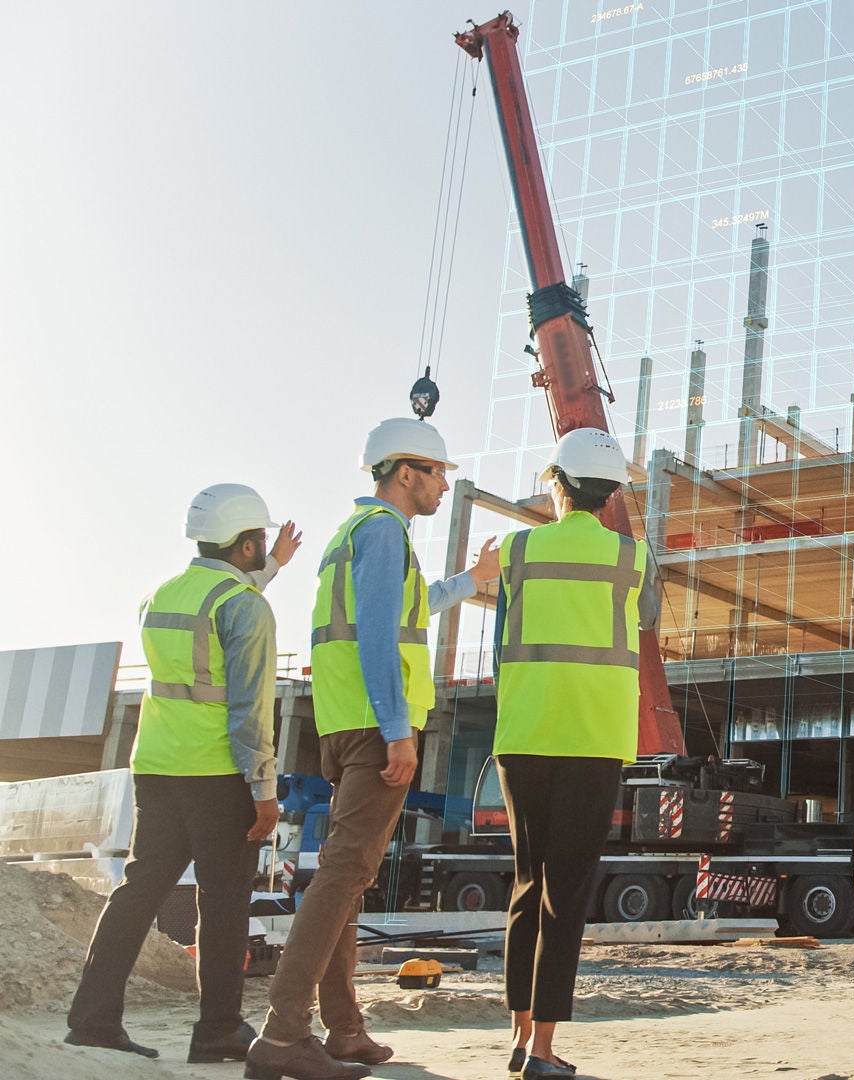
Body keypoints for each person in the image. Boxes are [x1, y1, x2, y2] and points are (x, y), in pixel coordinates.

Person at [247, 418, 499, 1080]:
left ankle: (344, 1027)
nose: (446, 484)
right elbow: (380, 636)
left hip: (342, 723)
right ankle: (282, 1035)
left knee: (345, 878)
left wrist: (472, 579)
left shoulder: (352, 535)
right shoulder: (386, 533)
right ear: (406, 473)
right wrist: (396, 730)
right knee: (342, 876)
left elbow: (407, 612)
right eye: (438, 472)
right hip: (374, 724)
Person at [67, 485, 297, 1061]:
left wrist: (270, 568)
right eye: (259, 543)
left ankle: (92, 1021)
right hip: (219, 772)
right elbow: (250, 710)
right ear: (246, 543)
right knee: (222, 903)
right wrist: (264, 790)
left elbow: (211, 622)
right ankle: (218, 1028)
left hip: (157, 768)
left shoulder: (160, 596)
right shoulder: (247, 607)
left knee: (138, 891)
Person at [494, 428, 656, 1078]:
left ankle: (517, 1035)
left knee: (527, 886)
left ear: (555, 483)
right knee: (567, 892)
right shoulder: (632, 557)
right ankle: (544, 1052)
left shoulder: (517, 549)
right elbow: (644, 622)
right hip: (593, 741)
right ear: (614, 492)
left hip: (525, 736)